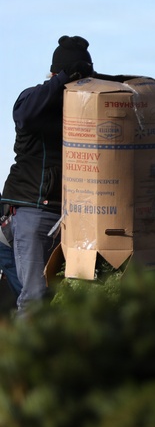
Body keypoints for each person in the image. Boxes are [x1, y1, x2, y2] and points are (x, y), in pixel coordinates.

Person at [1, 36, 95, 313]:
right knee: (35, 297)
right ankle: (21, 357)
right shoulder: (33, 98)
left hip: (70, 213)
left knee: (62, 299)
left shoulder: (82, 107)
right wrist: (64, 77)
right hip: (34, 210)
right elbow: (26, 115)